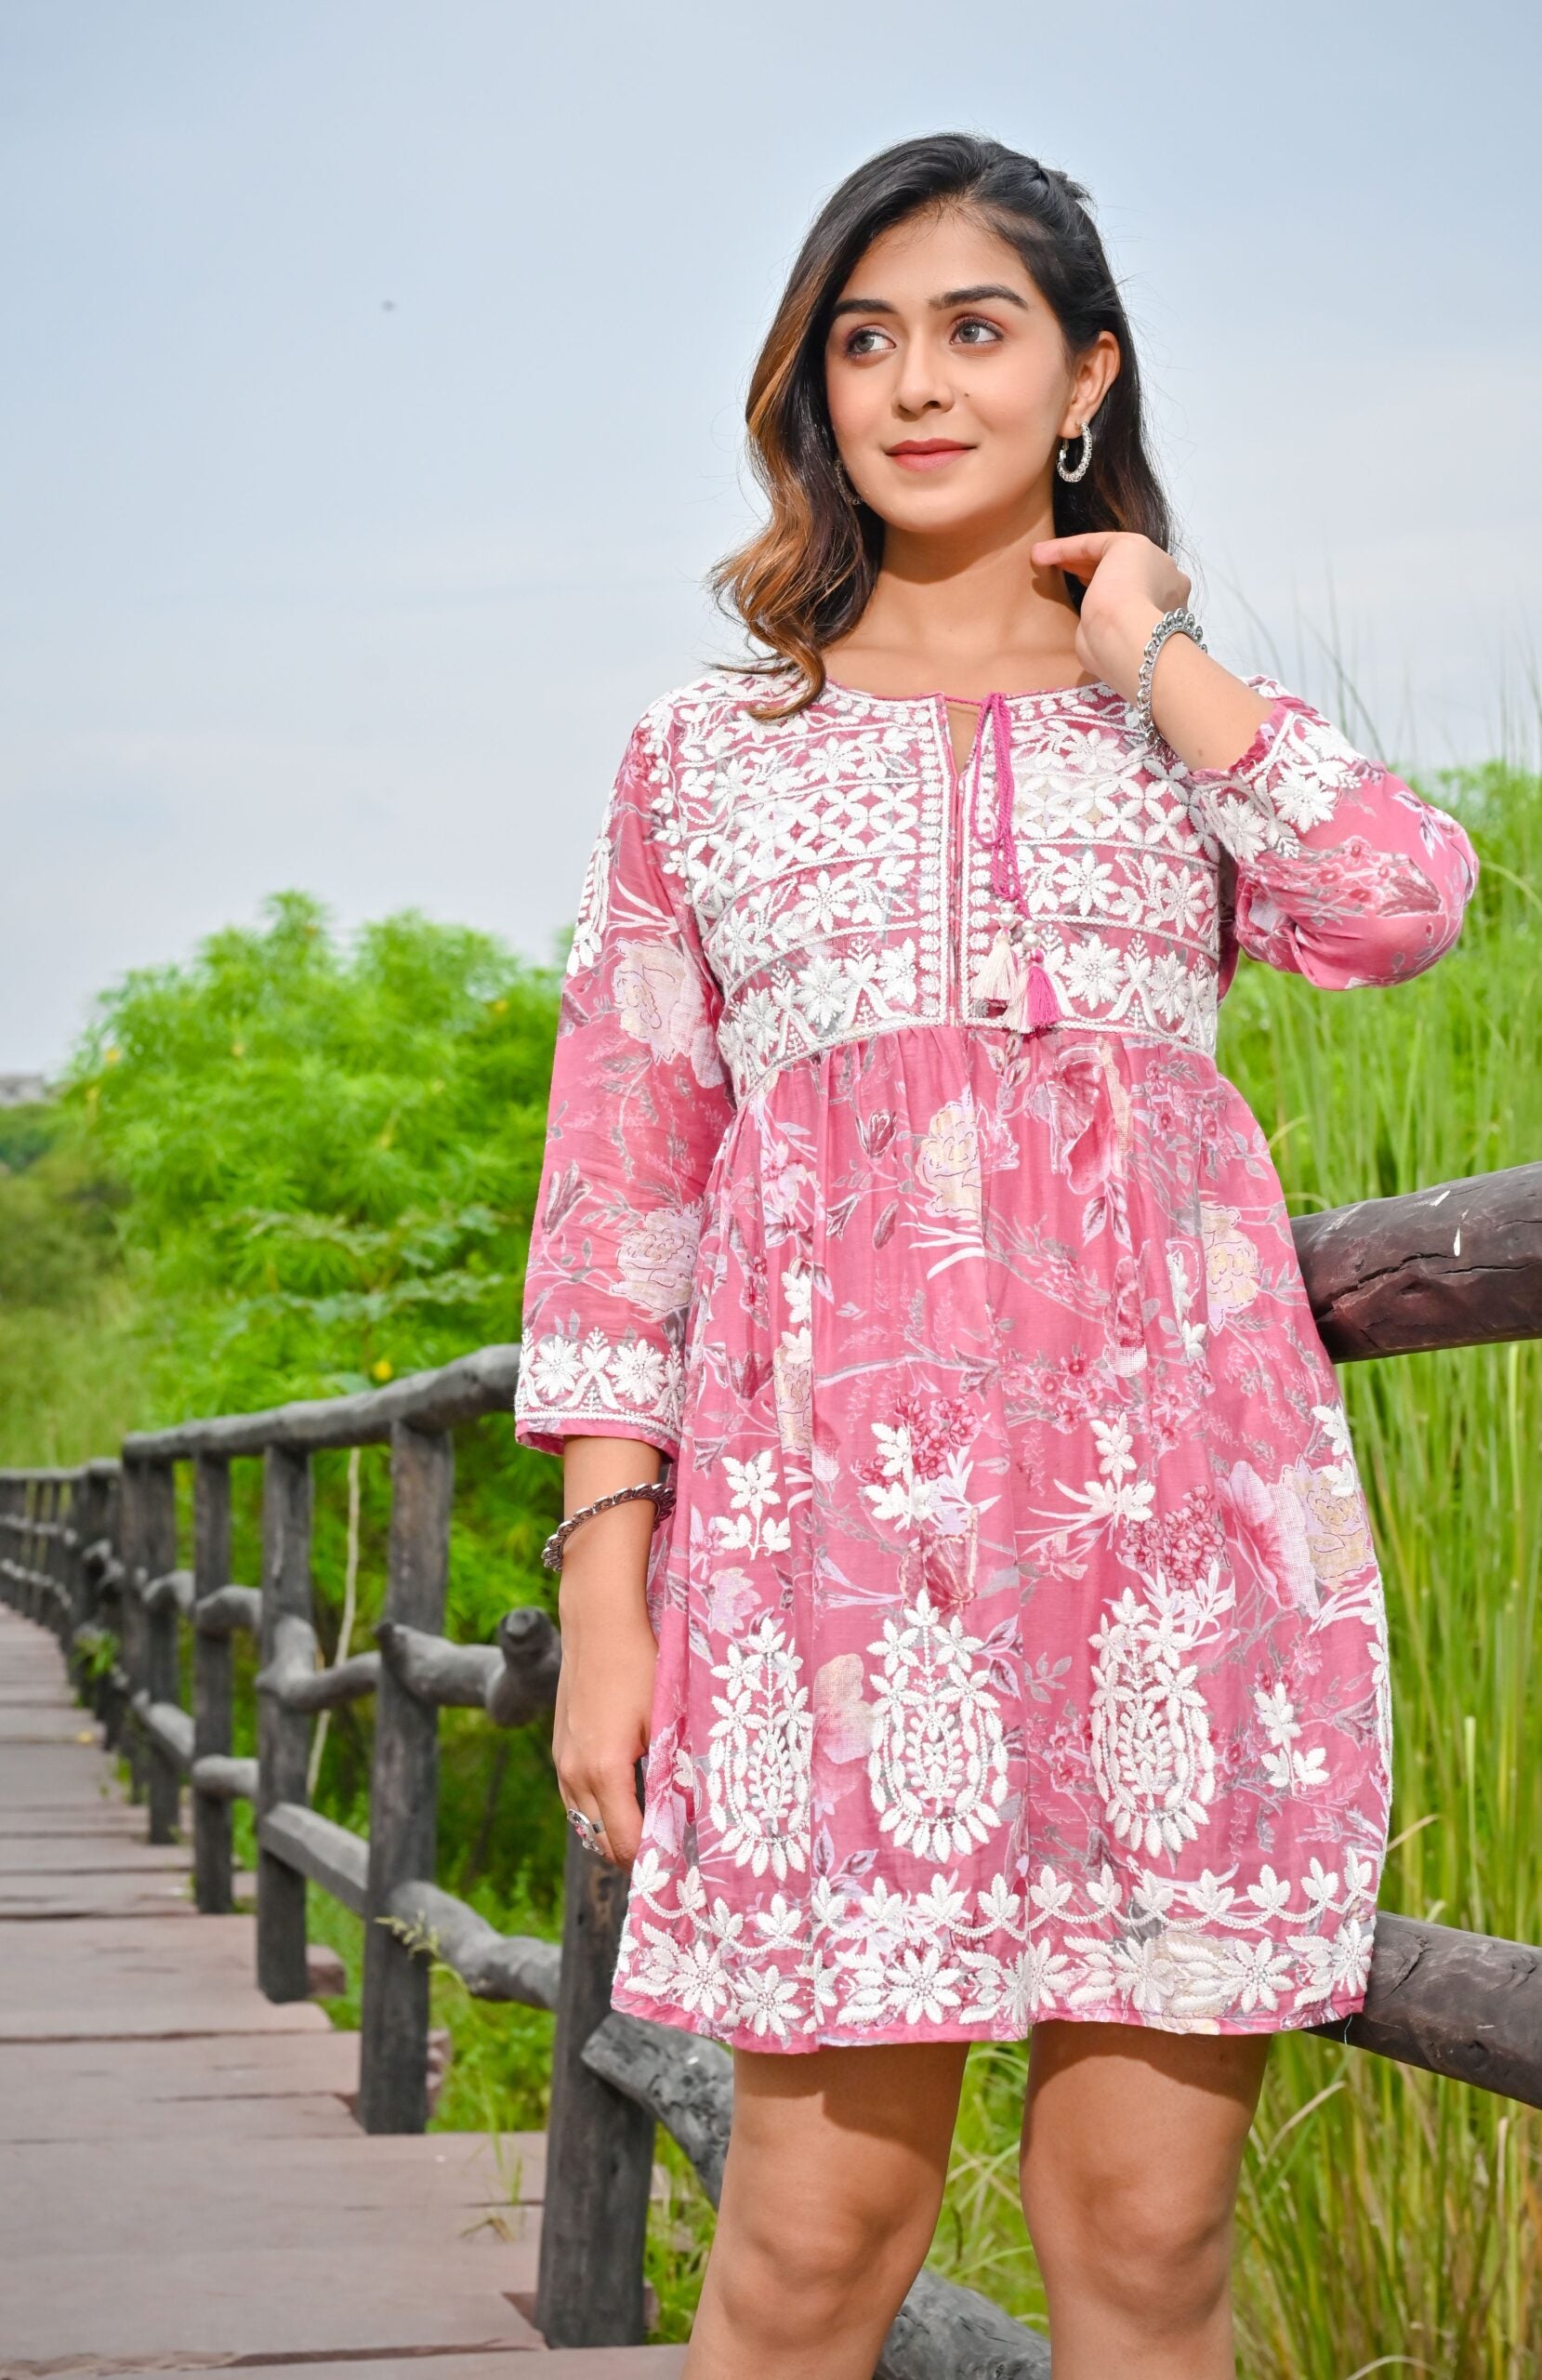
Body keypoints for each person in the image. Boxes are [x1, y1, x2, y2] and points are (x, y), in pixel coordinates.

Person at [513, 132, 1478, 2380]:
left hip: (1180, 1569)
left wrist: (1153, 643)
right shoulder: (707, 755)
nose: (911, 384)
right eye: (864, 338)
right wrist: (599, 1591)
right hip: (834, 1588)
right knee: (798, 2256)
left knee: (1143, 2251)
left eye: (971, 330)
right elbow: (614, 1196)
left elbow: (1400, 901)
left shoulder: (1171, 735)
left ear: (1080, 378)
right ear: (809, 388)